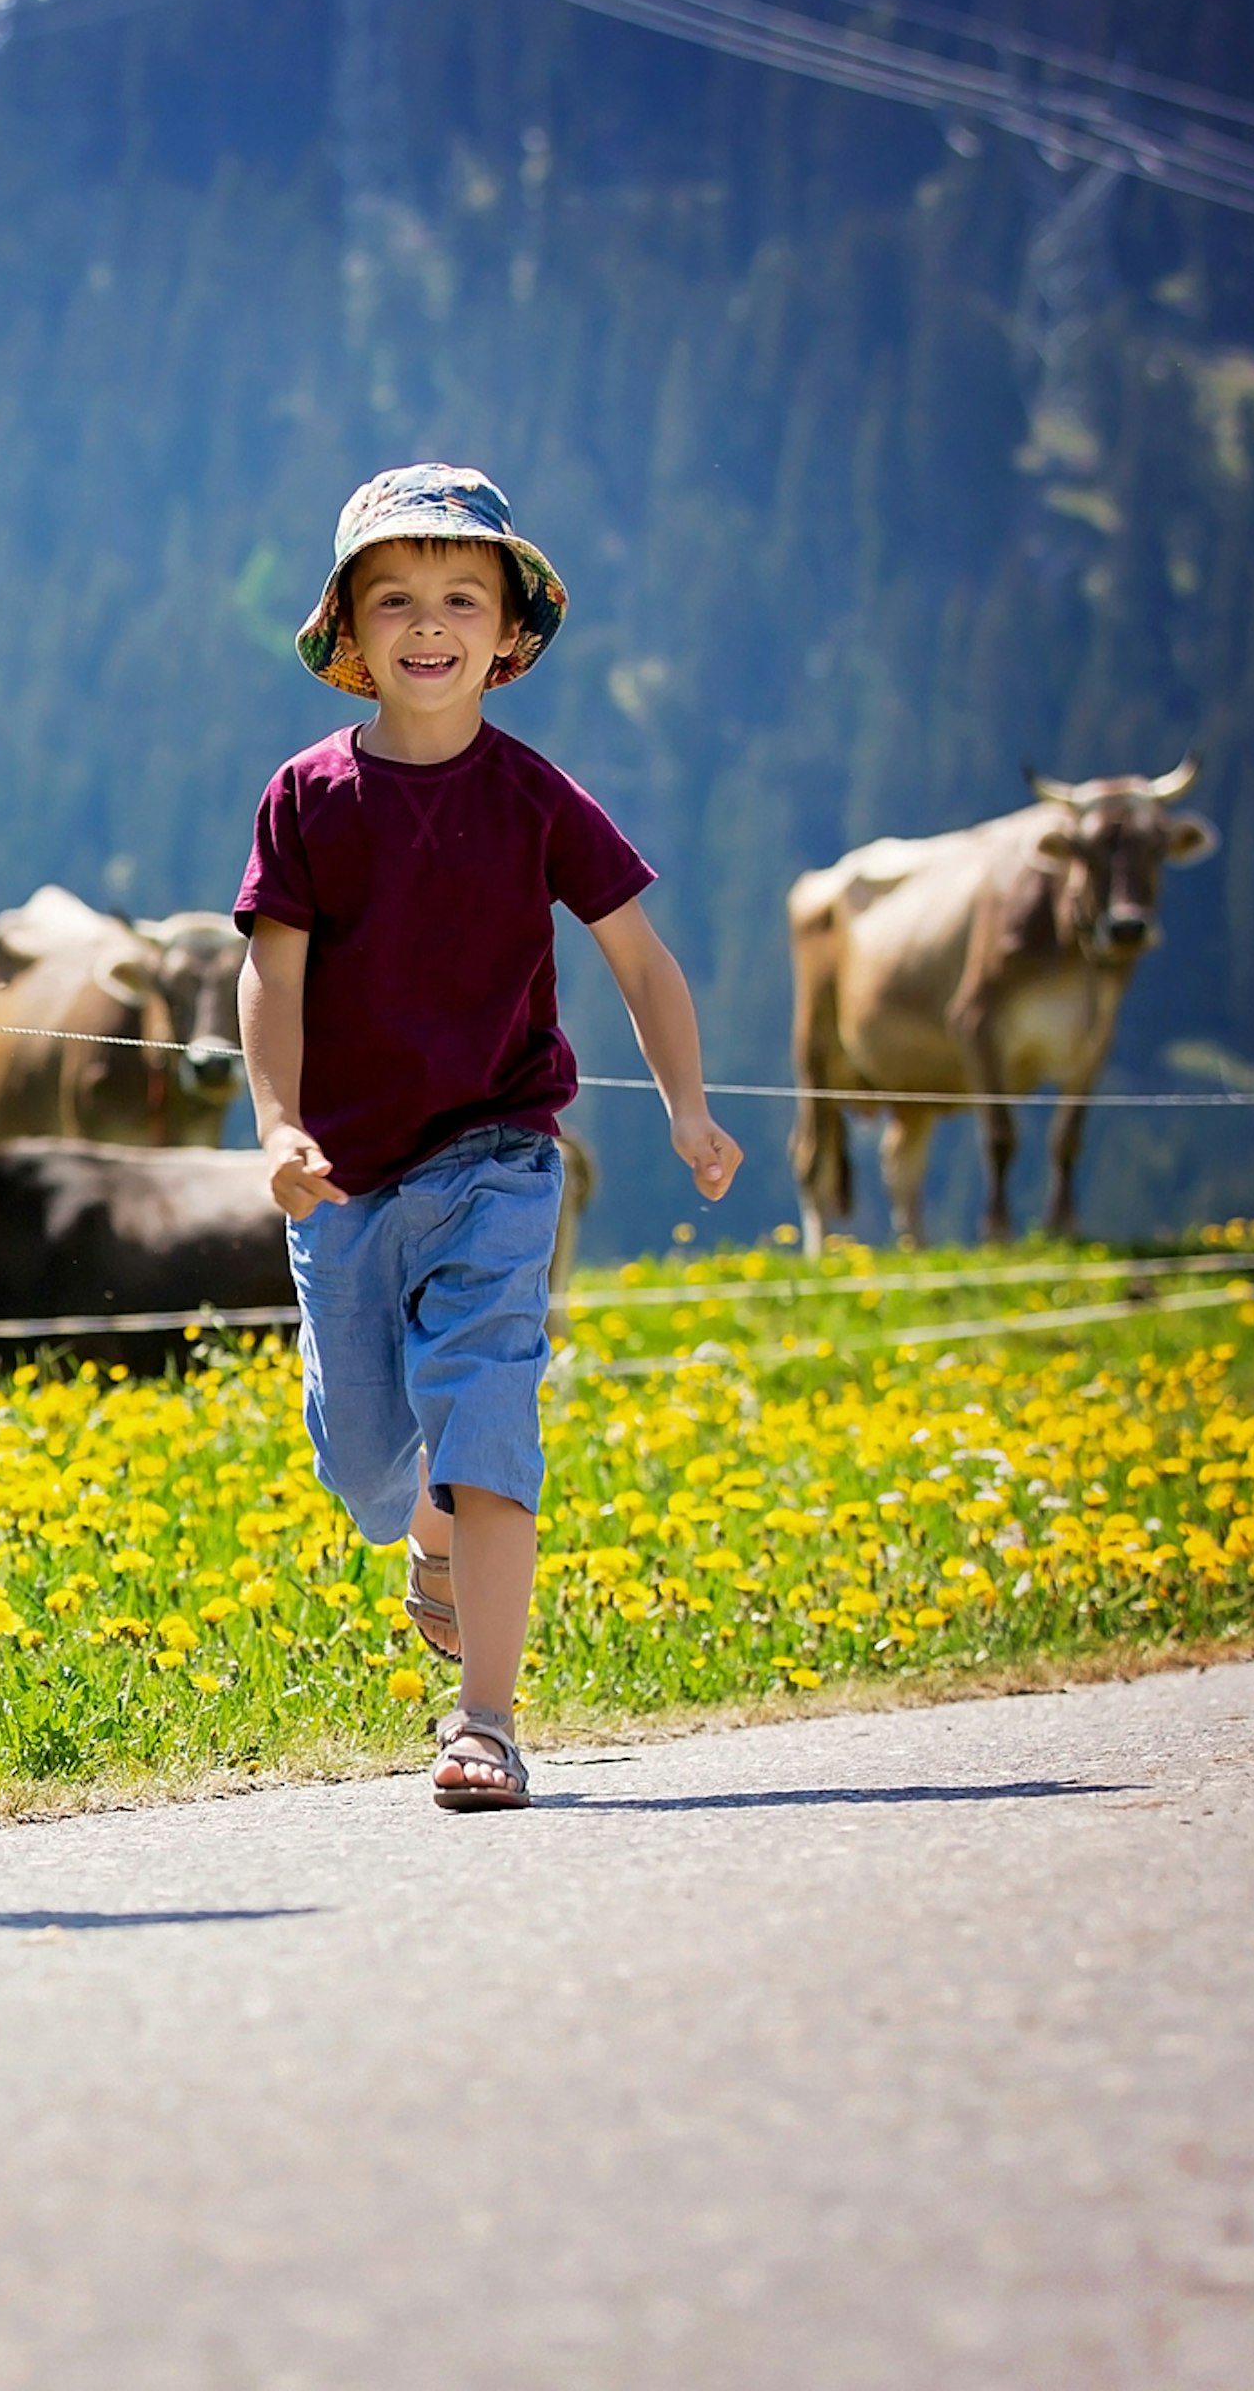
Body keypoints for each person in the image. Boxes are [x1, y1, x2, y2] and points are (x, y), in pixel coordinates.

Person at [235, 464, 742, 1811]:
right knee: (361, 1460)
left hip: (500, 1160)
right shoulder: (306, 800)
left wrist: (687, 1104)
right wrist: (278, 1125)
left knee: (490, 1407)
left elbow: (639, 959)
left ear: (512, 632)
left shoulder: (538, 799)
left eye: (464, 596)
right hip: (343, 1178)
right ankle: (428, 1532)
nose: (429, 623)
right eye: (393, 598)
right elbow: (269, 979)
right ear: (348, 629)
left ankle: (487, 1722)